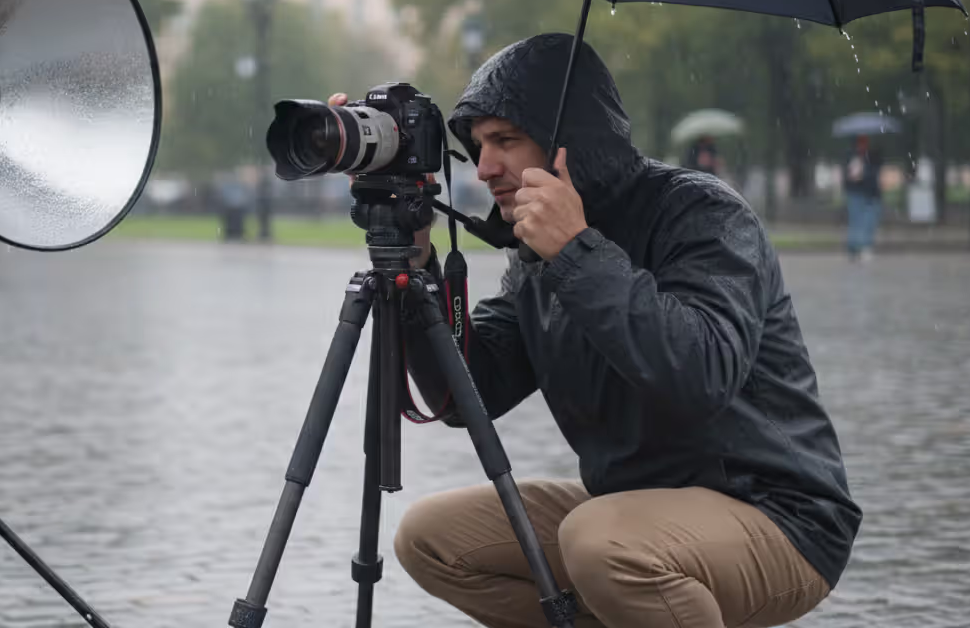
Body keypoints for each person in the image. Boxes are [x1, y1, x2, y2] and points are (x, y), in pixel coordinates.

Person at [367, 33, 859, 628]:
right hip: (628, 511)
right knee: (431, 538)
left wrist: (576, 251)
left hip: (776, 513)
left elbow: (701, 374)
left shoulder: (703, 214)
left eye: (505, 140)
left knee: (600, 545)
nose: (486, 165)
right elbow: (474, 389)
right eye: (477, 145)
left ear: (567, 143)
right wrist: (416, 268)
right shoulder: (536, 252)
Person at [843, 135, 883, 262]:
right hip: (856, 193)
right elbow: (848, 177)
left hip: (870, 193)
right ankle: (855, 248)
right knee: (856, 221)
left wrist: (864, 172)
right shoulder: (851, 157)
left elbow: (875, 173)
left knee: (869, 222)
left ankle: (864, 246)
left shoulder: (872, 156)